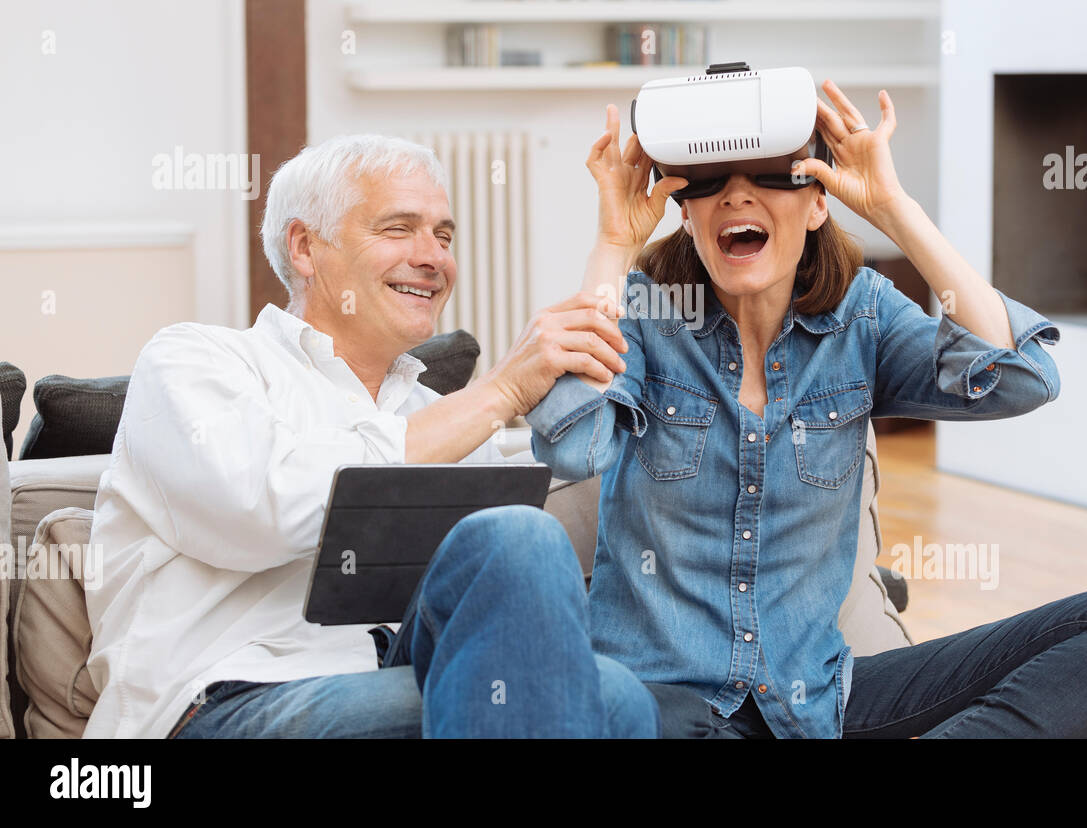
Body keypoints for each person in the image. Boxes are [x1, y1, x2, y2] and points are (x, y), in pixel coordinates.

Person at [527, 80, 1087, 738]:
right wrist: (612, 244)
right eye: (707, 180)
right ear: (685, 211)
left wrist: (894, 209)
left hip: (816, 704)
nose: (736, 192)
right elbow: (572, 447)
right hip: (666, 709)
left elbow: (1020, 378)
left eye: (769, 173)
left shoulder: (863, 318)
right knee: (621, 707)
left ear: (818, 202)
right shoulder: (642, 316)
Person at [83, 134, 658, 738]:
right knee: (581, 690)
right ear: (304, 247)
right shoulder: (198, 363)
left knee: (614, 691)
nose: (432, 256)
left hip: (402, 670)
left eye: (443, 234)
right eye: (398, 228)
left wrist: (616, 246)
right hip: (229, 702)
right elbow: (267, 508)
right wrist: (499, 393)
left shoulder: (441, 413)